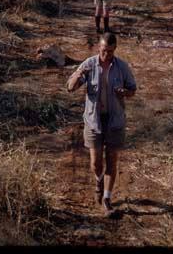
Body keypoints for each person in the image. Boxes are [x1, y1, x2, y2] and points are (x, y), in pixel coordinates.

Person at [66, 32, 136, 216]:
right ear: (99, 47)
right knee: (96, 162)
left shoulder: (122, 67)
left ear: (115, 49)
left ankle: (107, 198)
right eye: (104, 50)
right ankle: (98, 180)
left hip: (115, 121)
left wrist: (124, 92)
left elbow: (132, 89)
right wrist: (79, 75)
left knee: (112, 160)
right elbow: (70, 87)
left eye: (111, 51)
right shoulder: (89, 64)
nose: (107, 55)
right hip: (93, 121)